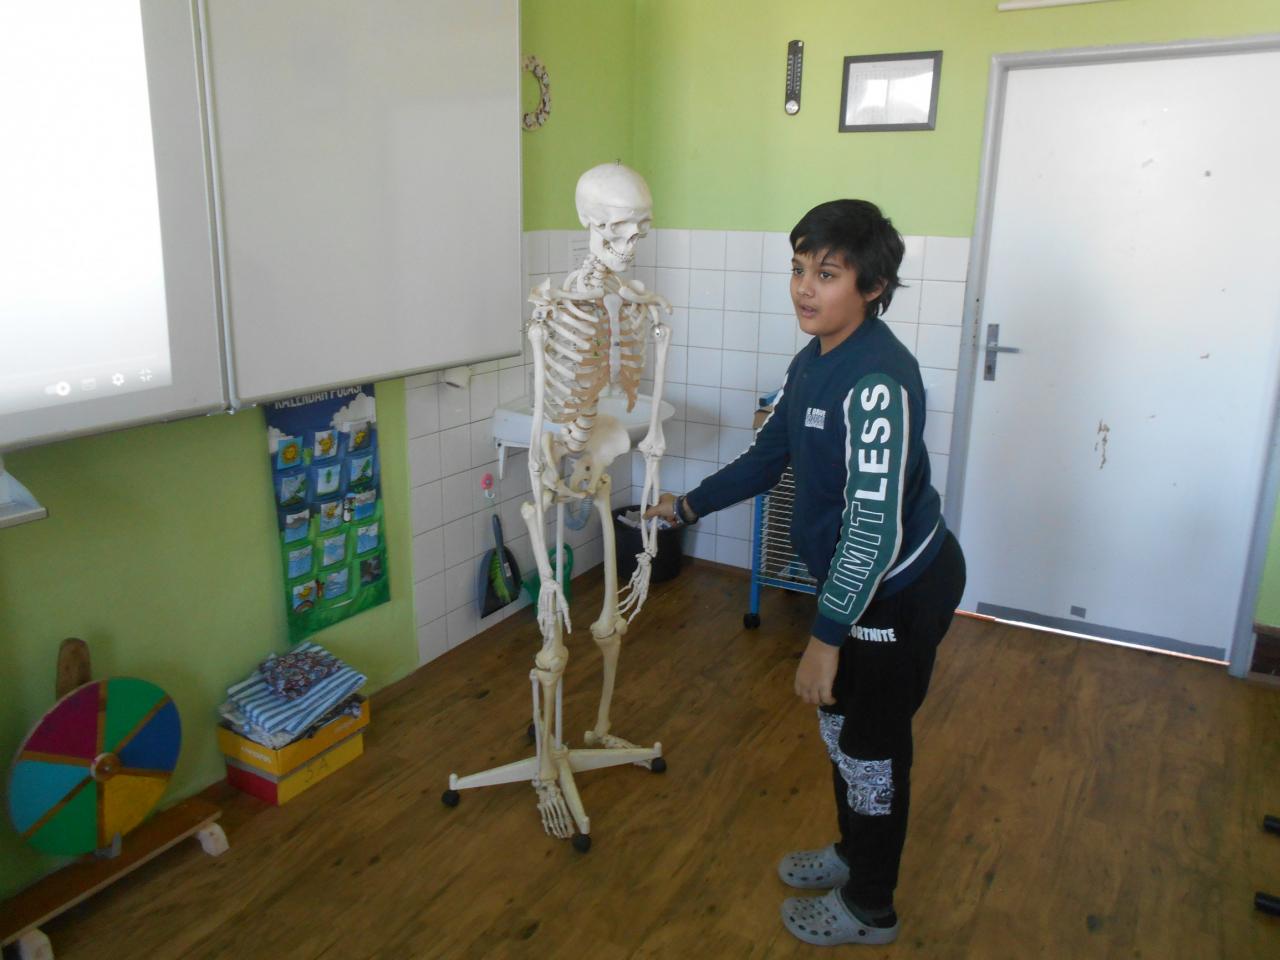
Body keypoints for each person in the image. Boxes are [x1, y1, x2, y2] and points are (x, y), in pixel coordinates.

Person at [645, 199, 966, 947]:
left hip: (898, 591)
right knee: (843, 732)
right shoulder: (813, 358)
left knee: (874, 752)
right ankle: (854, 854)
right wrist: (687, 506)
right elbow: (769, 456)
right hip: (857, 588)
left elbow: (873, 531)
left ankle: (871, 907)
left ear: (873, 287)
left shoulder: (879, 379)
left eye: (826, 274)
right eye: (798, 269)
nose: (803, 288)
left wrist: (826, 637)